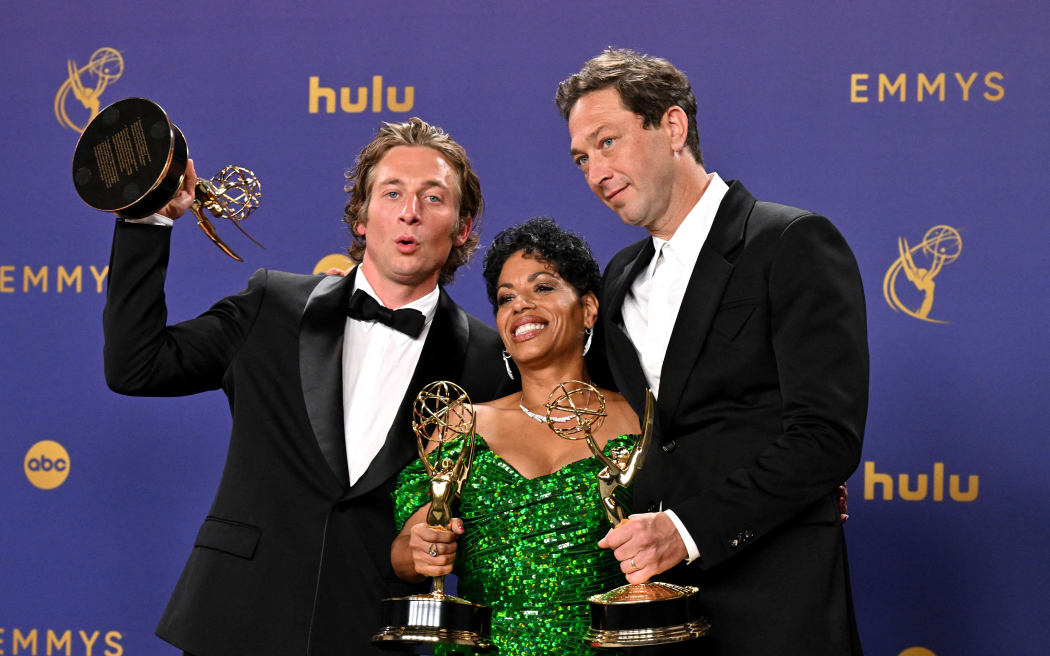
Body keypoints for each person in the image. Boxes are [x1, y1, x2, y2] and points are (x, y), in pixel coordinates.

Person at [101, 118, 512, 656]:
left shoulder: (487, 363)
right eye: (391, 193)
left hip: (371, 631)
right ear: (361, 217)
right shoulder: (272, 305)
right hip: (234, 620)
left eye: (433, 198)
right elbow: (135, 365)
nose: (409, 211)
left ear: (462, 227)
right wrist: (148, 219)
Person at [555, 48, 869, 654]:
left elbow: (825, 437)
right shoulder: (619, 276)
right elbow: (592, 413)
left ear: (672, 127)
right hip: (656, 614)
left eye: (608, 141)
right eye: (581, 158)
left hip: (776, 602)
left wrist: (685, 529)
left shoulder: (790, 242)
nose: (596, 171)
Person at [391, 217, 640, 655]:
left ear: (588, 309)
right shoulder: (460, 423)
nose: (520, 306)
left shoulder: (639, 421)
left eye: (542, 288)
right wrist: (420, 550)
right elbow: (406, 550)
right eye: (506, 298)